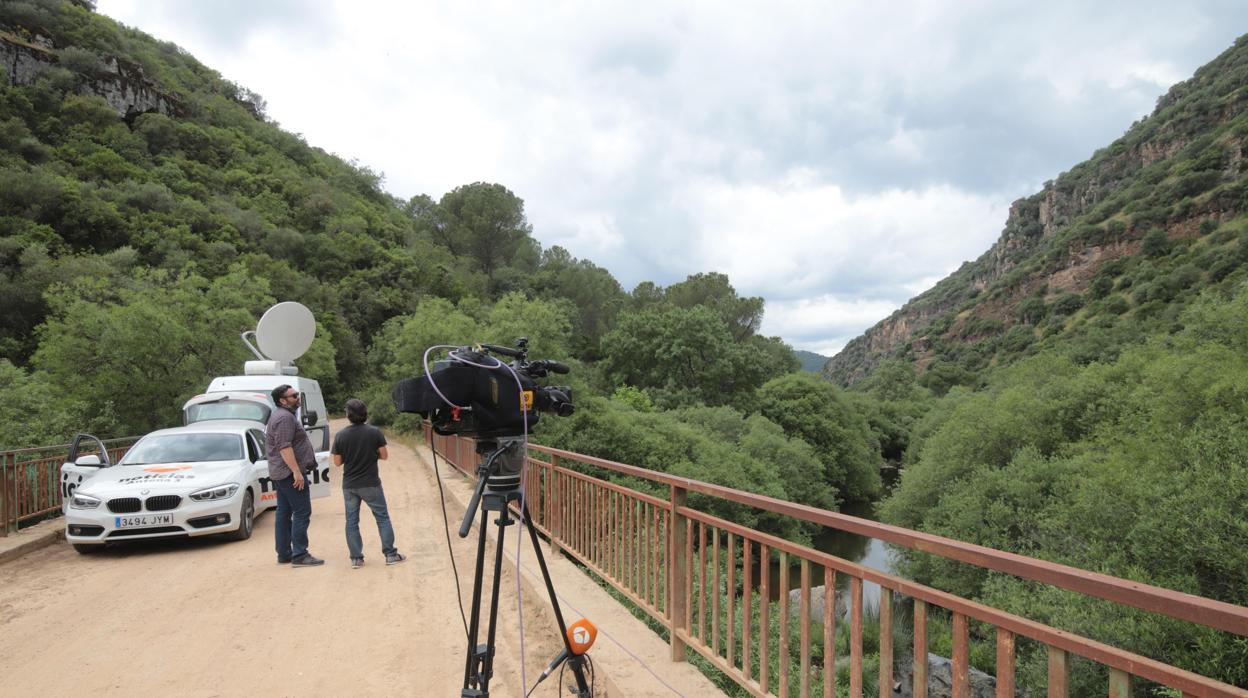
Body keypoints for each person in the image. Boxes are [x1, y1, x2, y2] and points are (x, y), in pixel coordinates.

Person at [332, 399, 405, 568]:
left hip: (350, 485)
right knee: (382, 518)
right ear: (365, 413)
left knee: (351, 521)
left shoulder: (341, 435)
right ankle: (390, 555)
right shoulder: (374, 432)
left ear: (348, 415)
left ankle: (356, 558)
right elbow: (384, 455)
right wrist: (372, 455)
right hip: (371, 483)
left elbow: (337, 462)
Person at [266, 384, 324, 567]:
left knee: (284, 512)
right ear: (282, 401)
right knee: (302, 511)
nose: (297, 398)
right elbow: (284, 447)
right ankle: (300, 554)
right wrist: (296, 472)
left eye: (297, 394)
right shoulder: (284, 418)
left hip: (281, 472)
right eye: (293, 396)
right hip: (288, 473)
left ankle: (284, 553)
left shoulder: (281, 415)